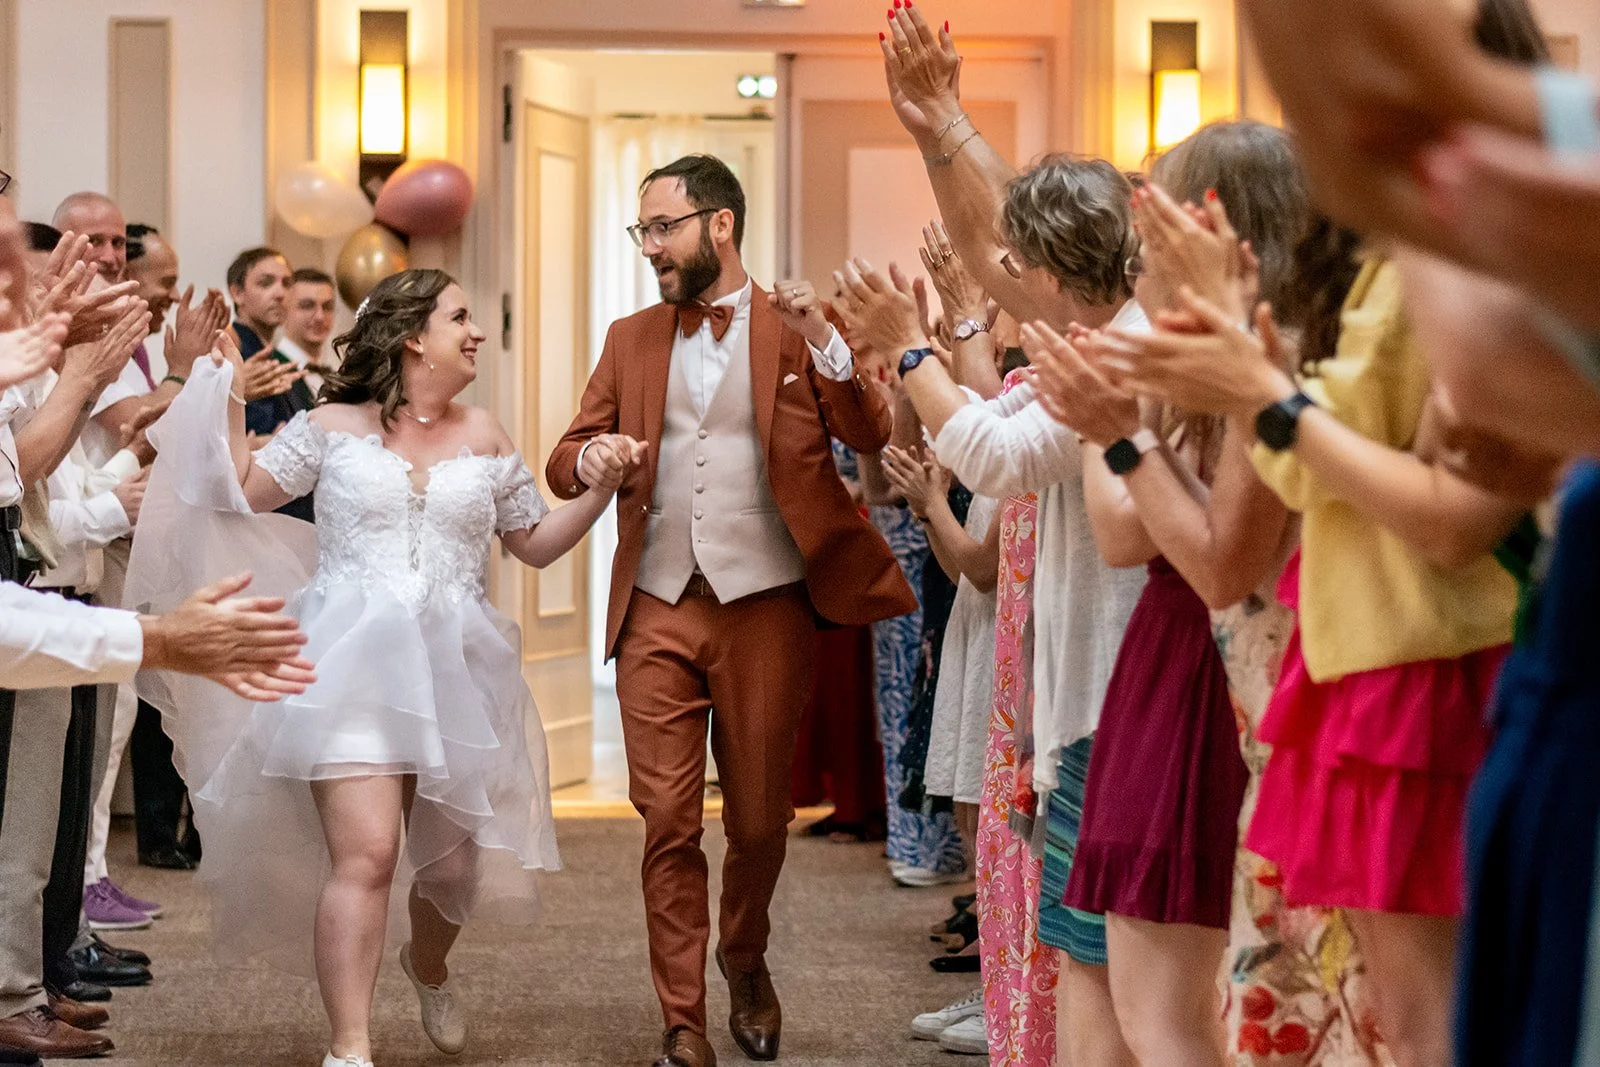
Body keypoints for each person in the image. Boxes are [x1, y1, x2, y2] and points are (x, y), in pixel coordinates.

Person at [127, 268, 619, 1067]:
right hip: (350, 664)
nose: (477, 331)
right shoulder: (330, 426)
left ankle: (426, 963)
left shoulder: (487, 434)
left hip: (458, 670)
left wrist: (599, 496)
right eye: (461, 316)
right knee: (369, 855)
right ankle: (349, 1047)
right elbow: (239, 489)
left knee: (453, 865)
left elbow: (531, 542)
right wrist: (221, 386)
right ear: (411, 335)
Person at [548, 153, 916, 1067]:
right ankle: (683, 1019)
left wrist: (826, 339)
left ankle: (744, 956)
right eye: (641, 231)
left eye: (661, 227)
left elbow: (869, 432)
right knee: (667, 817)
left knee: (757, 820)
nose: (649, 248)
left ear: (720, 225)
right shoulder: (630, 336)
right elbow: (566, 452)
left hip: (767, 603)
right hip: (657, 605)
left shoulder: (796, 331)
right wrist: (590, 462)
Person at [277, 268, 338, 395]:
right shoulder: (272, 371)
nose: (320, 317)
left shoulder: (331, 374)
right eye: (307, 305)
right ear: (283, 312)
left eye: (327, 306)